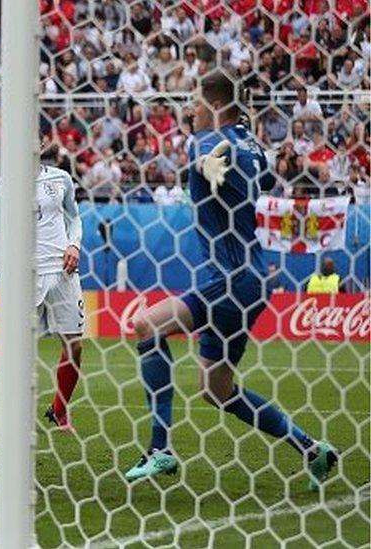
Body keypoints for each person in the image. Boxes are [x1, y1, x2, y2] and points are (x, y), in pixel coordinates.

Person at [124, 72, 335, 489]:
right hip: (254, 279)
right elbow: (261, 177)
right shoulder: (254, 147)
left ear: (215, 105)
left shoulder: (208, 141)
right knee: (216, 388)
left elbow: (204, 155)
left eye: (196, 102)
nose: (190, 110)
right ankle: (313, 449)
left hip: (228, 276)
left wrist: (202, 163)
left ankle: (160, 449)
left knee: (147, 324)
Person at [0, 164, 84, 433]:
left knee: (75, 346)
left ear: (44, 142)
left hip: (63, 273)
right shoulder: (1, 188)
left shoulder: (61, 179)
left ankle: (59, 411)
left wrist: (74, 244)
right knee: (15, 346)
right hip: (26, 275)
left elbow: (74, 218)